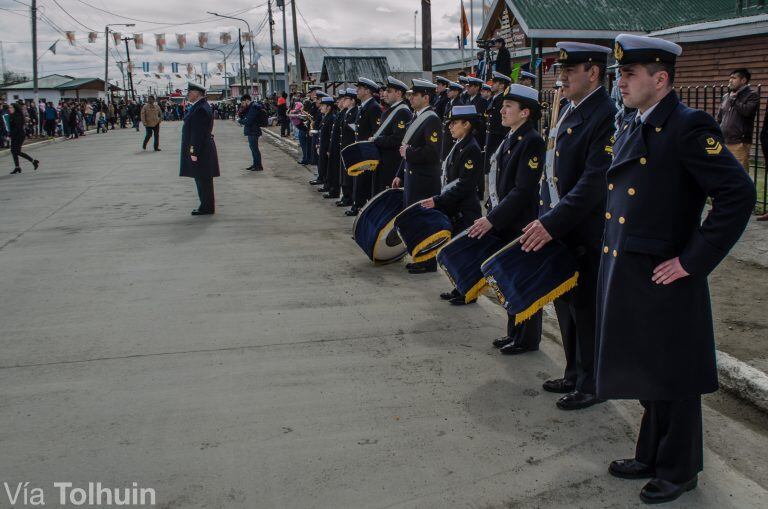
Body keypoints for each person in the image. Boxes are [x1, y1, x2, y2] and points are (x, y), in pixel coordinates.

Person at [598, 34, 756, 505]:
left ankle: (680, 468)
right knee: (652, 370)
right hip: (633, 268)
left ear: (660, 79)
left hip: (667, 271)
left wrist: (693, 259)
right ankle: (651, 454)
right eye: (620, 75)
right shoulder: (636, 122)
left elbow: (738, 195)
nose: (620, 82)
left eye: (629, 75)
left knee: (675, 375)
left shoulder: (688, 126)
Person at [519, 41, 616, 411]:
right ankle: (574, 372)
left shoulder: (603, 114)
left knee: (587, 311)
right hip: (562, 229)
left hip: (585, 231)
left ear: (592, 72)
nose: (561, 78)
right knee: (566, 305)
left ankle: (592, 382)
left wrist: (551, 224)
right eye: (560, 71)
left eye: (568, 71)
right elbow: (553, 174)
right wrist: (547, 220)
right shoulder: (573, 110)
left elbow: (592, 183)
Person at [468, 85, 545, 353]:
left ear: (525, 112)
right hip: (506, 222)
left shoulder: (532, 141)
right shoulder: (511, 137)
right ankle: (514, 332)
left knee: (523, 280)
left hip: (520, 224)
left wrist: (492, 219)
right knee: (509, 280)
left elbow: (522, 191)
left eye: (509, 106)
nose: (502, 110)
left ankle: (527, 338)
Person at [421, 104, 483, 303]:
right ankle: (459, 288)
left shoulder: (471, 148)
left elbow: (465, 185)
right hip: (455, 208)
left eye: (455, 123)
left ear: (467, 124)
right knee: (456, 253)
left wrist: (438, 201)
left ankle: (468, 293)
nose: (450, 127)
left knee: (464, 254)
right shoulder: (460, 144)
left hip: (465, 210)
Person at [393, 78, 442, 274]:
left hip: (424, 181)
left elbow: (432, 152)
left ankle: (428, 261)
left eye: (415, 95)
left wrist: (409, 154)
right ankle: (418, 256)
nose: (411, 98)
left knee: (423, 222)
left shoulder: (432, 119)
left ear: (426, 97)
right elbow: (405, 148)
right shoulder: (417, 116)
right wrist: (400, 175)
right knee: (414, 221)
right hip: (412, 178)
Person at [179, 82, 220, 216]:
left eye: (190, 92)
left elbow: (198, 133)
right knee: (202, 178)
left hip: (201, 150)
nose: (188, 95)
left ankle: (206, 207)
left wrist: (193, 151)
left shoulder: (200, 108)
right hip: (203, 148)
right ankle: (206, 205)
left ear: (197, 93)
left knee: (203, 179)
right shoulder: (200, 106)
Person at [346, 77, 382, 217]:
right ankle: (357, 204)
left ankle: (361, 205)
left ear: (367, 91)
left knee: (364, 180)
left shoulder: (373, 107)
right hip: (360, 149)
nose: (357, 91)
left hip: (367, 151)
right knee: (359, 178)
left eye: (360, 88)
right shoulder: (364, 106)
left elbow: (375, 131)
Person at [372, 76, 413, 196]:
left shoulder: (402, 111)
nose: (385, 94)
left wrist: (377, 140)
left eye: (389, 91)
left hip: (392, 162)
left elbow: (398, 139)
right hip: (384, 159)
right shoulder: (391, 110)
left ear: (399, 93)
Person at [716, 68, 760, 171]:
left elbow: (747, 111)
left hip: (739, 143)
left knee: (740, 174)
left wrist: (734, 100)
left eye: (734, 78)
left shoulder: (752, 95)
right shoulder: (726, 96)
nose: (730, 81)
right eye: (730, 78)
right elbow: (719, 118)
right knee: (724, 173)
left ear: (743, 80)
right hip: (723, 142)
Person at [483, 72, 513, 198]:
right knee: (490, 169)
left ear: (501, 85)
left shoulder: (502, 99)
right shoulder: (494, 99)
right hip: (491, 136)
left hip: (498, 137)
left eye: (495, 83)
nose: (492, 85)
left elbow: (502, 125)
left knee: (495, 169)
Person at [338, 88, 359, 208]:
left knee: (349, 175)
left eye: (346, 99)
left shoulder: (355, 112)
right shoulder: (348, 112)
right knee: (344, 174)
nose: (343, 101)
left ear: (352, 101)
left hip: (350, 146)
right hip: (344, 146)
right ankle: (345, 196)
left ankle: (349, 197)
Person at [324, 93, 347, 201]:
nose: (338, 102)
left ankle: (335, 191)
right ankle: (332, 190)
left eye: (341, 99)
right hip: (335, 146)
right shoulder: (340, 113)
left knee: (337, 171)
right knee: (333, 170)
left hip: (339, 146)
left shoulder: (343, 113)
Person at [8, 102, 40, 174]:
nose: (9, 109)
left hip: (19, 135)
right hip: (14, 135)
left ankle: (33, 161)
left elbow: (17, 128)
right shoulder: (12, 115)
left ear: (15, 108)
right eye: (9, 108)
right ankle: (17, 167)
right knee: (13, 151)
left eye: (11, 107)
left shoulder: (18, 116)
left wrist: (10, 135)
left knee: (16, 151)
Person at [314, 96, 337, 191]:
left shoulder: (331, 118)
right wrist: (318, 144)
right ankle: (326, 184)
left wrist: (328, 149)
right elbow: (322, 133)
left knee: (327, 167)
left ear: (329, 107)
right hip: (323, 146)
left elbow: (331, 135)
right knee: (323, 165)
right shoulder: (326, 117)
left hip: (327, 146)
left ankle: (328, 186)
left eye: (323, 105)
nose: (320, 107)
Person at [238, 94, 264, 171]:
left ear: (247, 100)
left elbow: (249, 121)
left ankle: (258, 166)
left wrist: (240, 121)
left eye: (243, 102)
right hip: (251, 130)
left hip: (254, 131)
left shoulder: (253, 107)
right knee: (253, 149)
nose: (242, 104)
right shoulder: (250, 107)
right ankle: (255, 164)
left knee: (255, 149)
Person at [441, 81, 465, 160]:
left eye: (450, 91)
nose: (448, 92)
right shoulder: (449, 103)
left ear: (456, 92)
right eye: (448, 90)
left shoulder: (458, 104)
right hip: (446, 132)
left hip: (452, 134)